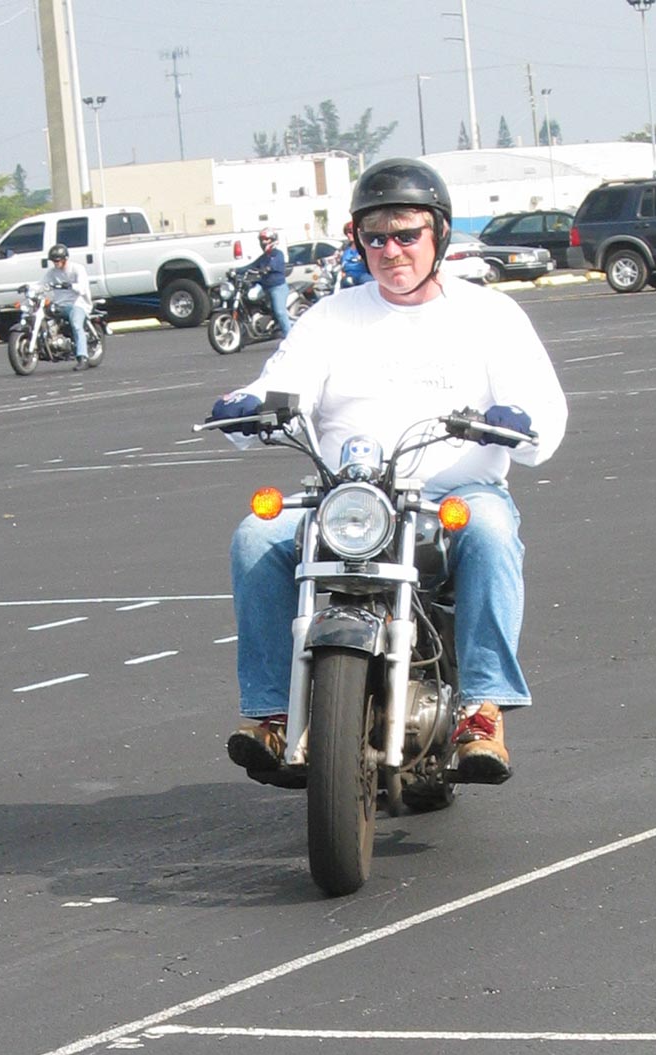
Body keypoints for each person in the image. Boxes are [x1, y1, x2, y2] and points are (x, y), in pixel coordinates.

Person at [208, 158, 567, 788]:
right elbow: (283, 383)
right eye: (375, 238)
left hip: (453, 496)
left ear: (439, 235)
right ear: (357, 242)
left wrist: (518, 419)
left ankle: (481, 710)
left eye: (406, 235)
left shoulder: (490, 315)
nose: (391, 251)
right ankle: (271, 713)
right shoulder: (331, 316)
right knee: (256, 535)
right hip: (348, 498)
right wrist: (248, 404)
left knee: (490, 532)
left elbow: (541, 410)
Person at [42, 243, 93, 369]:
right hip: (59, 305)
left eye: (58, 260)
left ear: (65, 259)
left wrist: (71, 285)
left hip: (77, 304)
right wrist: (29, 288)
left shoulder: (77, 269)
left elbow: (83, 288)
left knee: (76, 325)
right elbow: (41, 284)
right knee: (45, 317)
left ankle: (83, 357)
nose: (56, 263)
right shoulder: (52, 273)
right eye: (54, 261)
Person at [242, 228, 290, 338]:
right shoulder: (263, 258)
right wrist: (236, 270)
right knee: (249, 297)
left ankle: (289, 337)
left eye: (266, 239)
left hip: (277, 287)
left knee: (280, 312)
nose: (263, 242)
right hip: (264, 287)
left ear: (273, 240)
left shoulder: (278, 254)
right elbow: (251, 266)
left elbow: (275, 264)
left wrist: (267, 268)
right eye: (262, 240)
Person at [338, 220, 374, 285]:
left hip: (363, 276)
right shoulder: (344, 248)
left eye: (350, 232)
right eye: (346, 233)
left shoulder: (365, 246)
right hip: (347, 277)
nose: (348, 235)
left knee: (368, 281)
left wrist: (363, 259)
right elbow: (338, 261)